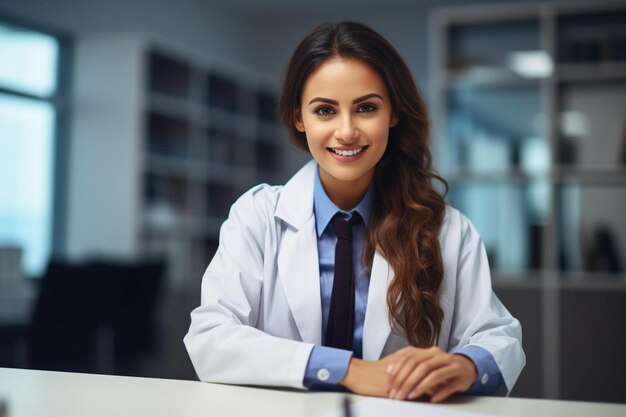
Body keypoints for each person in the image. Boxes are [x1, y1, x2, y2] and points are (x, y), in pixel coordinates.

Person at [184, 21, 525, 403]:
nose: (346, 132)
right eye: (325, 110)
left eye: (366, 108)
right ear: (299, 118)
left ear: (393, 112)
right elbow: (210, 337)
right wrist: (351, 371)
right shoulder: (256, 216)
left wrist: (465, 366)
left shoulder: (446, 229)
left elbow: (499, 337)